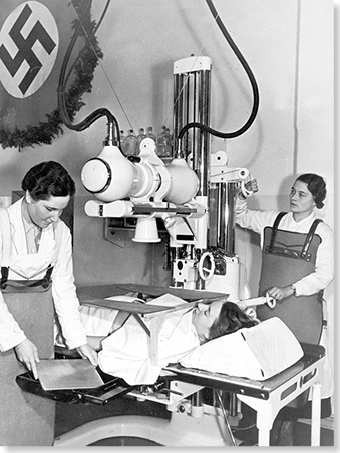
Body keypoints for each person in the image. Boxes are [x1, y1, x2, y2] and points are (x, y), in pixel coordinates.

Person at [0, 161, 98, 446]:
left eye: (61, 210)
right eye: (49, 209)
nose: (56, 218)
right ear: (29, 195)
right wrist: (17, 340)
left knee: (38, 405)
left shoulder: (60, 233)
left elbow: (64, 287)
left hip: (38, 330)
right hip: (4, 327)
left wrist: (78, 340)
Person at [234, 173, 334, 412]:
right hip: (268, 314)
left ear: (316, 200)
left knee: (297, 382)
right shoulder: (272, 221)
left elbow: (325, 275)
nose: (294, 198)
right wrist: (243, 194)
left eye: (302, 194)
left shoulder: (323, 232)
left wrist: (291, 289)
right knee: (267, 376)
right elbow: (239, 215)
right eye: (292, 191)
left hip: (302, 317)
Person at [78, 293, 258, 385]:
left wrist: (75, 339)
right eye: (208, 305)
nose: (201, 305)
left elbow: (112, 344)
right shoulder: (192, 325)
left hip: (95, 321)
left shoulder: (178, 342)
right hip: (114, 308)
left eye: (206, 312)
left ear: (209, 335)